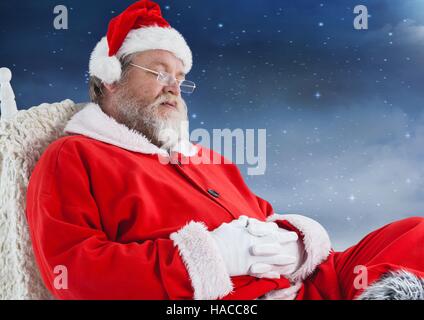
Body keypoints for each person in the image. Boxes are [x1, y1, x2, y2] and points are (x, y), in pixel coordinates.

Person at [26, 0, 423, 300]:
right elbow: (74, 274)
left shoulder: (206, 159)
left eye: (180, 77)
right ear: (110, 80)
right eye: (159, 71)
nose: (173, 86)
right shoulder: (74, 157)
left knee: (414, 234)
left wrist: (297, 243)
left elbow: (263, 217)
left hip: (308, 285)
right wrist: (214, 255)